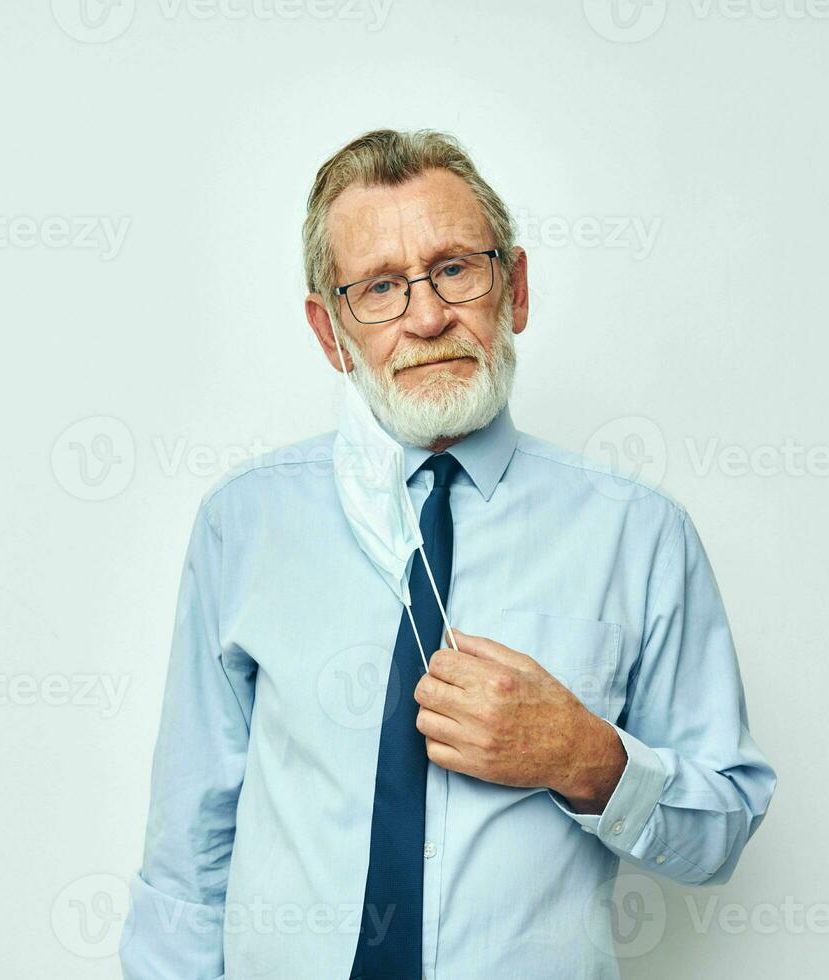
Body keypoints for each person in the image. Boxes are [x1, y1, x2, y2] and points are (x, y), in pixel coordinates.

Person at [121, 128, 776, 980]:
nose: (427, 318)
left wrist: (584, 756)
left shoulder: (641, 535)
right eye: (381, 288)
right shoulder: (243, 525)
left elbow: (722, 828)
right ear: (330, 333)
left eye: (456, 269)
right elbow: (188, 851)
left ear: (518, 288)